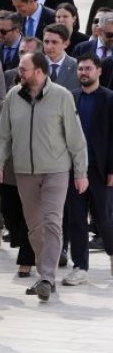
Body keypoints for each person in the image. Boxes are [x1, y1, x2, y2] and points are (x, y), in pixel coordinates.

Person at [0, 52, 88, 301]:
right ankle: (46, 274)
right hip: (24, 171)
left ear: (39, 71)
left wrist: (80, 172)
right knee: (34, 227)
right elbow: (2, 135)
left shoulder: (62, 96)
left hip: (56, 170)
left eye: (23, 69)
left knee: (52, 221)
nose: (18, 73)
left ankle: (46, 277)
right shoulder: (13, 96)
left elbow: (76, 138)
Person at [62, 55, 113, 285]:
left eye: (88, 68)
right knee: (76, 220)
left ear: (99, 71)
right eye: (81, 68)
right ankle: (80, 266)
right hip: (74, 170)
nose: (84, 72)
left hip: (101, 171)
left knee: (105, 218)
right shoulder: (70, 98)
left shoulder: (110, 99)